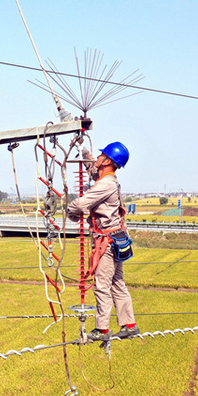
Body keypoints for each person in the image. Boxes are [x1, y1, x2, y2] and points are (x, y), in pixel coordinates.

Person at [67, 141, 139, 341]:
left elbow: (81, 203)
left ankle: (102, 329)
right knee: (117, 283)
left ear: (108, 161)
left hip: (106, 242)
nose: (97, 159)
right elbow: (93, 169)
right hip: (117, 239)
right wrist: (83, 147)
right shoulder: (109, 179)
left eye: (101, 156)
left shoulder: (105, 185)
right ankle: (129, 324)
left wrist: (70, 213)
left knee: (102, 284)